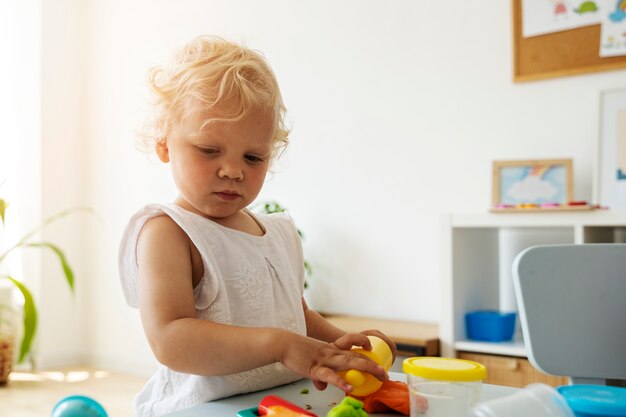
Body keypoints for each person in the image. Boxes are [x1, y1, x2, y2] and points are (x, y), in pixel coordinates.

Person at [119, 35, 397, 417]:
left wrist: (340, 345)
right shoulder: (168, 232)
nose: (233, 170)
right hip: (201, 408)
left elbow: (293, 314)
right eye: (209, 149)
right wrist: (281, 345)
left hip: (282, 400)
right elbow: (171, 340)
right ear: (164, 142)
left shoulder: (278, 232)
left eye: (253, 156)